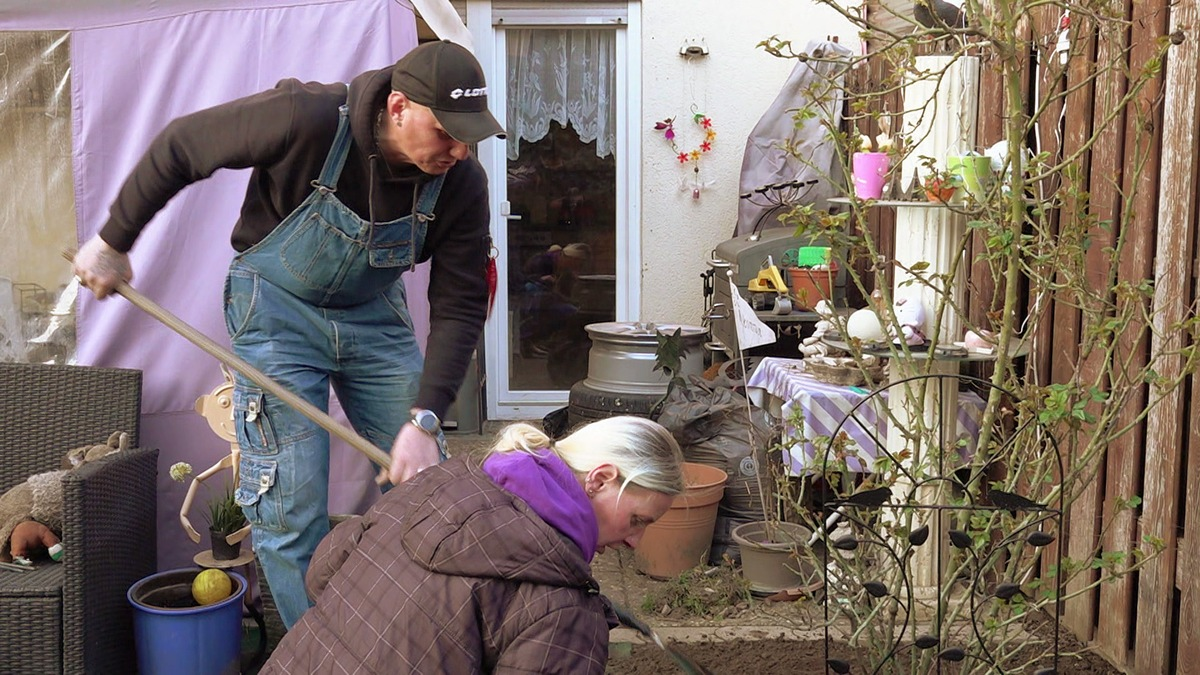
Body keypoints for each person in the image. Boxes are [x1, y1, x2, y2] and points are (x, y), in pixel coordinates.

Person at [71, 40, 504, 628]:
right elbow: (181, 146)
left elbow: (458, 306)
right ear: (399, 107)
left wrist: (426, 418)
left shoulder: (461, 183)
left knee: (425, 489)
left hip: (373, 316)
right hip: (275, 312)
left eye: (469, 135)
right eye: (446, 131)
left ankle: (412, 638)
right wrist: (113, 240)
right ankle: (319, 653)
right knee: (289, 504)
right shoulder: (307, 118)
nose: (459, 149)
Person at [260, 415, 684, 674]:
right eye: (637, 520)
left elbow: (323, 574)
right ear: (600, 478)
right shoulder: (564, 610)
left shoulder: (446, 480)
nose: (635, 541)